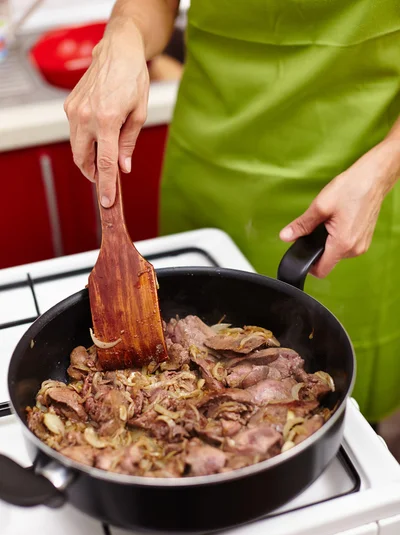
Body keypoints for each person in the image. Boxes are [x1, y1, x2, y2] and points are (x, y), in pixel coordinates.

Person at [64, 0, 400, 423]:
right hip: (210, 158)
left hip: (353, 170)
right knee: (184, 317)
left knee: (338, 403)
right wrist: (124, 33)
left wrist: (388, 162)